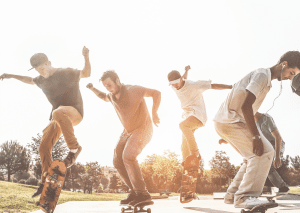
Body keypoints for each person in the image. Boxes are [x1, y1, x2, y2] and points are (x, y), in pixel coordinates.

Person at [0, 46, 91, 197]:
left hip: (74, 113)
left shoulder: (65, 72)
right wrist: (10, 75)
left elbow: (86, 73)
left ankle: (74, 149)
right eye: (37, 70)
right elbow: (29, 80)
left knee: (57, 112)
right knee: (43, 147)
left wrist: (86, 56)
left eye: (42, 68)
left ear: (49, 62)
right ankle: (47, 183)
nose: (41, 73)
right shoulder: (41, 80)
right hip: (58, 118)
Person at [214, 51, 300, 209]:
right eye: (291, 73)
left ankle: (232, 195)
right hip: (231, 121)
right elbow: (246, 106)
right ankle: (245, 197)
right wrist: (255, 137)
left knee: (251, 157)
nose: (290, 77)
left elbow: (247, 108)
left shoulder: (266, 80)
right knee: (266, 152)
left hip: (227, 121)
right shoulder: (262, 75)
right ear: (284, 64)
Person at [86, 70, 161, 205]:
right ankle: (134, 191)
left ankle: (143, 193)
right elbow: (103, 96)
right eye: (106, 86)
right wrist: (92, 88)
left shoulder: (133, 90)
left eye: (109, 85)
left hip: (143, 128)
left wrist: (154, 112)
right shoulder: (111, 96)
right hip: (127, 131)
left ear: (118, 81)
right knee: (117, 161)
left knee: (128, 156)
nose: (108, 89)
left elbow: (156, 93)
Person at [167, 65, 232, 164]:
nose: (175, 86)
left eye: (176, 83)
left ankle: (195, 153)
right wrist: (186, 70)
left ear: (180, 79)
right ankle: (187, 165)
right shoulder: (176, 84)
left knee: (182, 125)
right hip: (188, 116)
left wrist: (231, 87)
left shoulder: (194, 85)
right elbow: (184, 76)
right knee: (184, 142)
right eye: (172, 84)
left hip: (198, 116)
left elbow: (213, 86)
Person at [220, 112, 289, 196]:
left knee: (267, 165)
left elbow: (277, 137)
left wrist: (277, 156)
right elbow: (243, 135)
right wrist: (226, 140)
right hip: (266, 148)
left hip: (276, 144)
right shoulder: (252, 124)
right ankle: (253, 189)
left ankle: (283, 187)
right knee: (256, 164)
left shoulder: (266, 118)